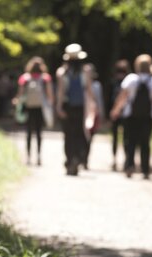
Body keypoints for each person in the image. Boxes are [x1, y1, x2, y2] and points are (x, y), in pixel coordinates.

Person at [56, 44, 96, 175]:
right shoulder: (85, 71)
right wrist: (93, 107)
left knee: (68, 135)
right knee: (79, 134)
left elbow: (61, 92)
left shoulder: (62, 72)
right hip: (81, 107)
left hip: (68, 107)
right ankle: (76, 159)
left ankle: (70, 160)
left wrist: (59, 107)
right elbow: (89, 91)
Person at [13, 56, 54, 165]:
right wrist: (51, 106)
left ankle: (28, 157)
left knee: (29, 133)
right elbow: (50, 95)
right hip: (41, 108)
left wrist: (17, 102)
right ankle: (39, 156)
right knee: (39, 133)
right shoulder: (46, 78)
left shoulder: (25, 78)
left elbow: (20, 94)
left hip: (28, 108)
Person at [106, 59, 131, 171]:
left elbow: (108, 100)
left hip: (115, 113)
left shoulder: (113, 82)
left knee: (116, 138)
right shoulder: (129, 82)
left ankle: (115, 160)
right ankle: (126, 161)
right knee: (126, 138)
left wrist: (109, 114)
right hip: (126, 114)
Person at [83, 63, 104, 169]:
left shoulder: (96, 85)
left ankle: (85, 160)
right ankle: (80, 159)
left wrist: (100, 115)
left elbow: (99, 101)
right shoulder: (79, 84)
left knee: (89, 139)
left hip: (93, 114)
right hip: (81, 114)